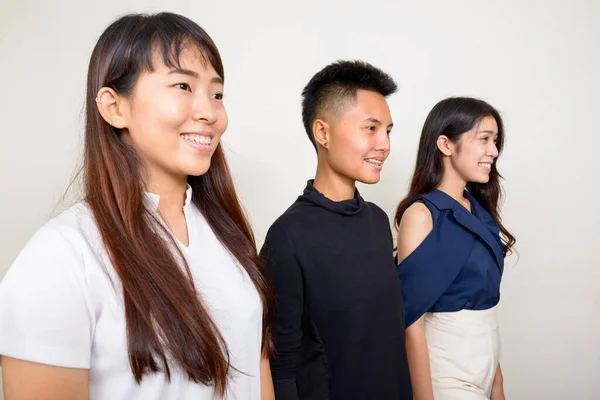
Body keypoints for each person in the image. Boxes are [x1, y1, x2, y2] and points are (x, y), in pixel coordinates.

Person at [0, 12, 275, 400]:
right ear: (114, 108)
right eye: (183, 85)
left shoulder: (225, 235)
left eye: (217, 94)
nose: (210, 112)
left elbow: (255, 363)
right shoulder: (61, 257)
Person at [260, 60, 413, 400]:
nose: (384, 144)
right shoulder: (287, 237)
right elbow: (279, 365)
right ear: (323, 133)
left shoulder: (377, 221)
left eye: (388, 130)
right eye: (370, 128)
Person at [395, 97, 516, 400]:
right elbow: (411, 322)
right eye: (484, 139)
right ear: (446, 145)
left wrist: (497, 384)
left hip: (485, 370)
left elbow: (484, 309)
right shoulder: (422, 215)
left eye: (495, 140)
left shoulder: (478, 210)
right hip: (446, 375)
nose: (494, 151)